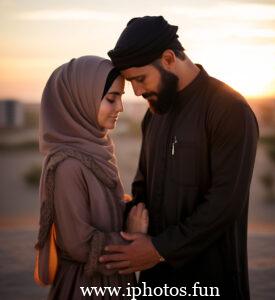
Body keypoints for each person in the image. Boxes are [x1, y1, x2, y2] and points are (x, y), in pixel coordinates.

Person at [99, 16, 259, 299]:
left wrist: (159, 250)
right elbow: (142, 188)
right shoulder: (154, 114)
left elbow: (225, 204)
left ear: (169, 58)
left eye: (140, 78)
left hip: (212, 283)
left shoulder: (229, 109)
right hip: (155, 283)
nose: (136, 92)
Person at [34, 55, 148, 299]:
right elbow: (79, 246)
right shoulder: (68, 165)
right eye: (111, 98)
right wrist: (130, 235)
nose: (119, 107)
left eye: (120, 97)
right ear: (80, 100)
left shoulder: (95, 151)